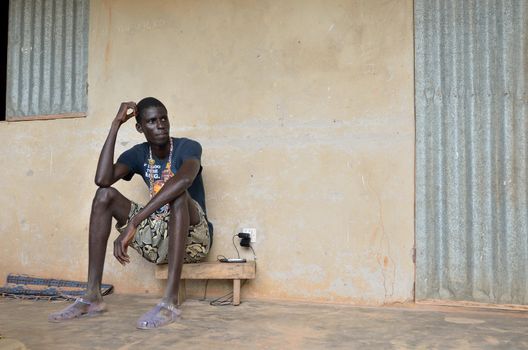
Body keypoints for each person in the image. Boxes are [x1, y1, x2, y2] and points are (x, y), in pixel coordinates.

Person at [48, 97, 213, 329]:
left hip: (193, 239)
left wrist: (134, 222)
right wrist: (116, 124)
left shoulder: (188, 147)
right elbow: (102, 180)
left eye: (164, 118)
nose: (161, 125)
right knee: (104, 195)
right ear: (139, 127)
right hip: (157, 235)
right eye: (152, 121)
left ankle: (169, 302)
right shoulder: (139, 154)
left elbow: (184, 179)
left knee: (179, 196)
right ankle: (92, 296)